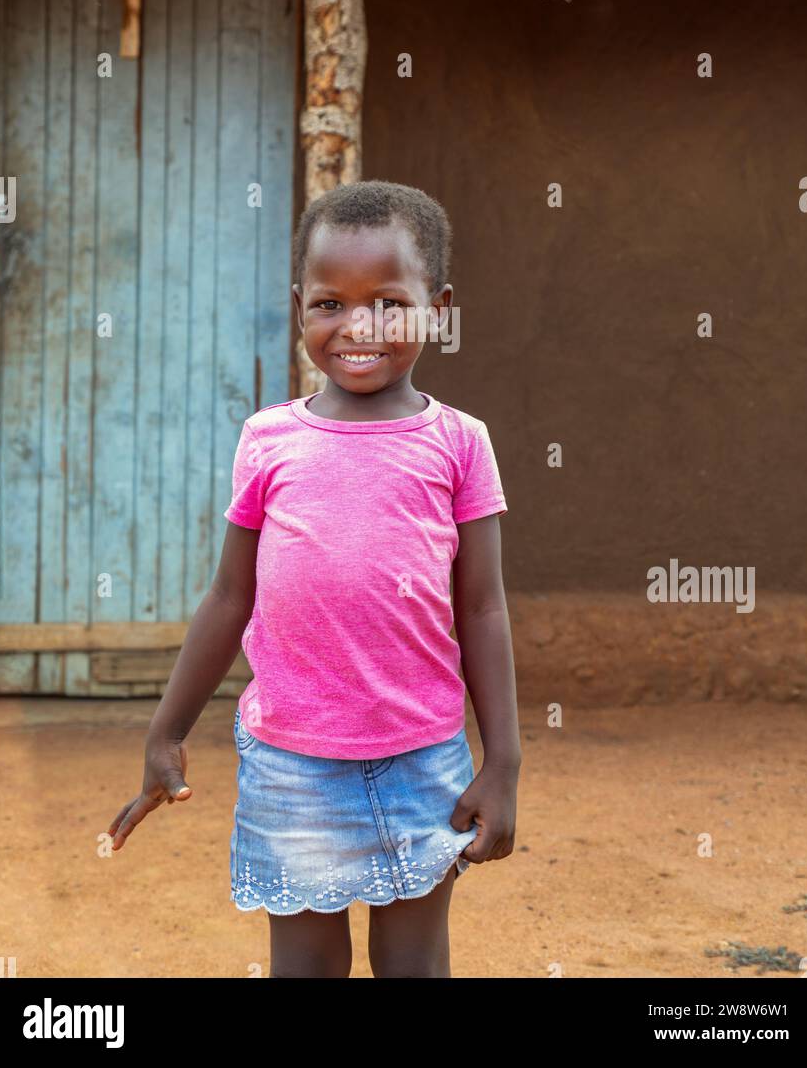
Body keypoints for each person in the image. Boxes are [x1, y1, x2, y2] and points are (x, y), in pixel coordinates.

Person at [109, 179, 520, 978]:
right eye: (331, 302)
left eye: (389, 302)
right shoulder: (268, 440)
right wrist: (166, 732)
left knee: (415, 966)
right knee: (304, 969)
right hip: (290, 764)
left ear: (437, 304)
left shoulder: (461, 444)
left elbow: (483, 607)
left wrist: (503, 761)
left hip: (422, 759)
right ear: (300, 304)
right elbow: (231, 597)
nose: (358, 326)